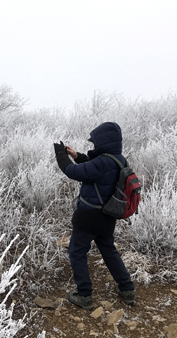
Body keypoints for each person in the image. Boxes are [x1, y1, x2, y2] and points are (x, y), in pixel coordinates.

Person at [53, 121, 135, 310]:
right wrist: (77, 155)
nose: (94, 146)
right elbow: (95, 169)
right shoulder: (118, 159)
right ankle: (127, 289)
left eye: (95, 143)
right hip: (108, 216)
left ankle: (84, 295)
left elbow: (72, 172)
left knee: (77, 251)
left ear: (104, 142)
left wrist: (61, 156)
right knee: (108, 250)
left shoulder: (102, 161)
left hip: (89, 216)